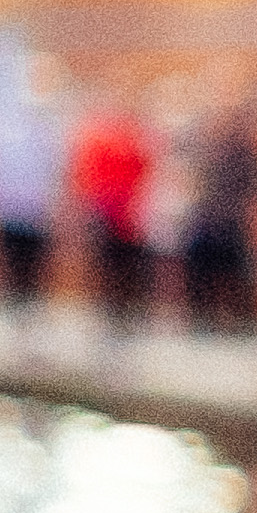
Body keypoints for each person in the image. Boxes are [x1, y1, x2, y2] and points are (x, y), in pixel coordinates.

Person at [0, 39, 64, 314]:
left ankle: (30, 306)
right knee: (10, 257)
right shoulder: (8, 112)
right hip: (10, 200)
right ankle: (12, 304)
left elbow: (57, 160)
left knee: (34, 262)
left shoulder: (55, 112)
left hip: (40, 203)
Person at [68, 85, 159, 334]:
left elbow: (147, 172)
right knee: (107, 266)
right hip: (107, 212)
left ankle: (130, 313)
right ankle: (108, 313)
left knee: (132, 267)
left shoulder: (139, 136)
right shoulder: (102, 136)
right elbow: (89, 172)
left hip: (132, 215)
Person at [180, 86, 257, 337]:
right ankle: (200, 324)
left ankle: (245, 328)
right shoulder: (201, 140)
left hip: (231, 221)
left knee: (238, 275)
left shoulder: (245, 146)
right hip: (203, 218)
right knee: (199, 273)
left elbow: (254, 183)